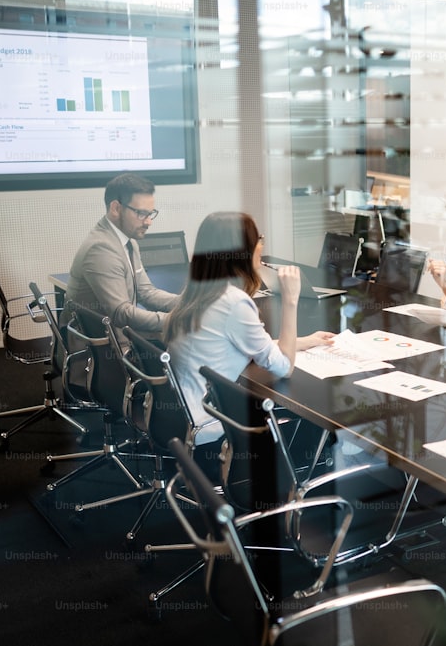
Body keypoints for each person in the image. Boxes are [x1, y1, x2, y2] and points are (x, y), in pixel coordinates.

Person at [163, 212, 335, 463]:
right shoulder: (234, 302)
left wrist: (305, 341)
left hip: (182, 417)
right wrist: (290, 300)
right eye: (259, 239)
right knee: (311, 412)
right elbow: (284, 367)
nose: (262, 246)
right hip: (213, 426)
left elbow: (238, 346)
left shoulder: (199, 291)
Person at [63, 173, 179, 334]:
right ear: (116, 208)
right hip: (100, 350)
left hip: (116, 338)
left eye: (150, 214)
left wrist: (188, 303)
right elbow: (121, 313)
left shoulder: (128, 241)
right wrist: (178, 320)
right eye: (141, 214)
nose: (148, 222)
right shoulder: (101, 249)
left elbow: (146, 292)